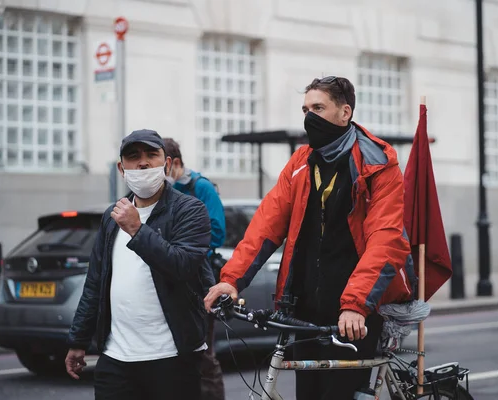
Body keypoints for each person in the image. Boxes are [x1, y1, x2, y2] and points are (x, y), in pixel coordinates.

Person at [204, 76, 414, 400]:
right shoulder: (301, 163)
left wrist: (356, 305)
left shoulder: (377, 164)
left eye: (318, 107)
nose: (309, 117)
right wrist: (232, 280)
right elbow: (265, 225)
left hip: (352, 314)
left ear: (345, 113)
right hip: (304, 311)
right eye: (305, 109)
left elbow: (386, 240)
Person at [65, 129, 212, 400]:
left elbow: (183, 266)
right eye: (133, 157)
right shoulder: (112, 217)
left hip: (172, 357)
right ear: (122, 169)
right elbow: (96, 282)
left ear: (166, 164)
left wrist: (137, 230)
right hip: (116, 358)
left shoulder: (189, 210)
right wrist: (78, 341)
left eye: (151, 155)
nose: (142, 163)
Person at [163, 137, 227, 400]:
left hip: (197, 281)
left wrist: (181, 243)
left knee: (203, 354)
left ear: (174, 163)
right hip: (170, 278)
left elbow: (218, 232)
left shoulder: (201, 188)